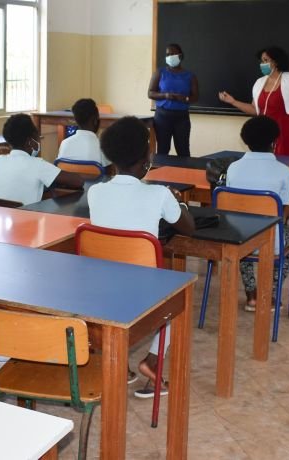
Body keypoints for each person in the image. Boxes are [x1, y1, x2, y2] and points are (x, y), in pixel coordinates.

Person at [88, 116, 195, 397]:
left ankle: (116, 362)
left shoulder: (95, 192)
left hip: (99, 285)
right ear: (146, 161)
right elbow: (188, 226)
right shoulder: (159, 194)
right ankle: (151, 361)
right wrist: (178, 200)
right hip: (141, 291)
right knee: (178, 295)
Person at [226, 115, 289, 311]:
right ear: (275, 141)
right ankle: (270, 295)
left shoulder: (233, 168)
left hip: (239, 240)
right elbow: (283, 212)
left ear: (245, 141)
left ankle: (251, 296)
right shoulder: (284, 172)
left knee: (241, 229)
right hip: (270, 242)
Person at [219, 46, 289, 157]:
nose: (262, 64)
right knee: (266, 164)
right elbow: (255, 110)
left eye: (266, 60)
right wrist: (233, 101)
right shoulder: (259, 82)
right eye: (262, 61)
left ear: (276, 62)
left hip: (288, 130)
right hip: (265, 133)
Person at [0, 113, 84, 205]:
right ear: (29, 142)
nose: (39, 140)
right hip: (26, 220)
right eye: (37, 137)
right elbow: (78, 181)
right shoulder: (37, 165)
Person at [148, 43, 199, 157]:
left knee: (183, 150)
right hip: (162, 116)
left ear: (180, 56)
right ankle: (161, 174)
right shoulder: (160, 72)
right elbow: (150, 93)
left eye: (173, 53)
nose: (170, 56)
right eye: (168, 54)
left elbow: (195, 97)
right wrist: (165, 95)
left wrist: (185, 98)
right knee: (163, 150)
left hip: (182, 118)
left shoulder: (190, 76)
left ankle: (185, 174)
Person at [57, 98, 111, 168]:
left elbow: (60, 167)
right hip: (94, 179)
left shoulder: (64, 143)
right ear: (95, 120)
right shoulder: (102, 146)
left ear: (76, 121)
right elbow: (109, 173)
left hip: (69, 179)